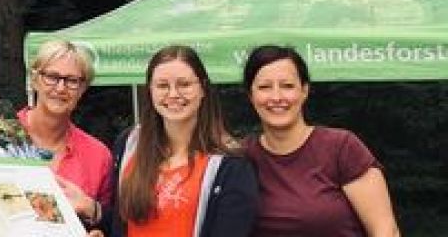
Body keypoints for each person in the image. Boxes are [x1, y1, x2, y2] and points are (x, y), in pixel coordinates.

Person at [241, 45, 400, 237]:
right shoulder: (240, 158)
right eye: (265, 87)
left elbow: (385, 230)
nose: (276, 97)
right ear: (250, 95)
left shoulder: (342, 147)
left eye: (287, 86)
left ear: (304, 91)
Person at [105, 45, 257, 237]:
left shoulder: (231, 166)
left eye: (184, 84)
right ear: (150, 91)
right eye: (162, 86)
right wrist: (94, 211)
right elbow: (119, 223)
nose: (173, 94)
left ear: (202, 89)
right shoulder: (129, 145)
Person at [18, 40, 113, 231]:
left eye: (71, 81)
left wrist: (94, 216)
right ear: (35, 79)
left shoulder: (98, 155)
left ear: (82, 88)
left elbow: (110, 224)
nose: (61, 88)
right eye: (52, 77)